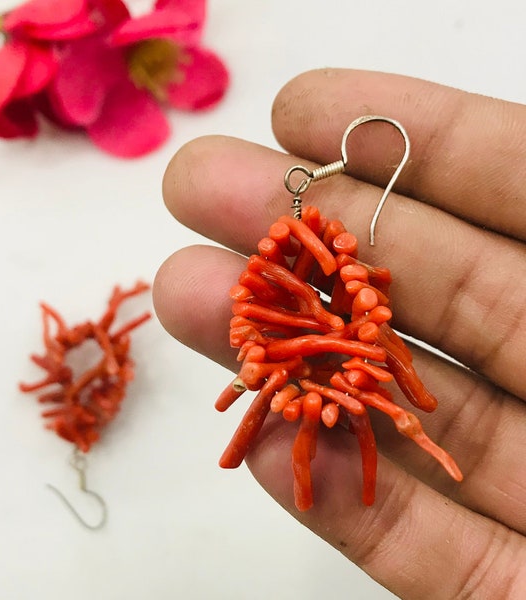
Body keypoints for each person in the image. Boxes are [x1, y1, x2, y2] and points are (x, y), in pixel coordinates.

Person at [153, 68, 526, 599]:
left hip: (328, 351)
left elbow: (358, 325)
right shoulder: (284, 289)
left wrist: (343, 309)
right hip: (302, 346)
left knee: (346, 343)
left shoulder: (338, 291)